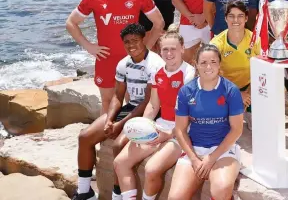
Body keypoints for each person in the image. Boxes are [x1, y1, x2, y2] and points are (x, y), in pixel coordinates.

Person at [72, 24, 165, 200]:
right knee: (84, 137)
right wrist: (109, 119)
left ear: (143, 39)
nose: (131, 45)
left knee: (118, 145)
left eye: (135, 41)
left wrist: (119, 125)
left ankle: (117, 195)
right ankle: (85, 191)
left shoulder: (155, 63)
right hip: (131, 108)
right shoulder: (123, 64)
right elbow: (117, 96)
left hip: (152, 111)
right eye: (127, 42)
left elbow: (147, 102)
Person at [66, 0, 164, 113]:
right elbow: (71, 23)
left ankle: (129, 135)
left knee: (132, 102)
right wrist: (89, 46)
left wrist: (145, 48)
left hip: (132, 60)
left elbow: (159, 23)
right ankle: (106, 136)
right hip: (106, 59)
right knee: (107, 101)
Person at [113, 29, 196, 200]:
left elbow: (190, 114)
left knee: (151, 169)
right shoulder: (157, 73)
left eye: (173, 48)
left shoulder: (190, 74)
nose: (169, 53)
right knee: (120, 163)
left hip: (183, 131)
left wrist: (169, 134)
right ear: (159, 50)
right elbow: (153, 104)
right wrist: (143, 126)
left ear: (182, 48)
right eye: (165, 49)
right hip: (162, 124)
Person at [169, 45, 244, 200]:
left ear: (219, 64)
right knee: (175, 198)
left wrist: (211, 158)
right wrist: (194, 159)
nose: (208, 66)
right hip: (194, 149)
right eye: (203, 62)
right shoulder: (186, 91)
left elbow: (236, 130)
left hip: (223, 149)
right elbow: (180, 130)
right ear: (196, 64)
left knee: (221, 190)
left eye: (213, 62)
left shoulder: (231, 90)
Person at [210, 0, 260, 129]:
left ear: (246, 18)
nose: (235, 20)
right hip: (225, 89)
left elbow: (263, 69)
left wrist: (249, 93)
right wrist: (236, 94)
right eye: (231, 16)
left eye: (240, 16)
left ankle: (250, 111)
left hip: (249, 88)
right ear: (226, 18)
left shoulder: (255, 39)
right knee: (225, 128)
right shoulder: (216, 44)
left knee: (276, 87)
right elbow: (210, 76)